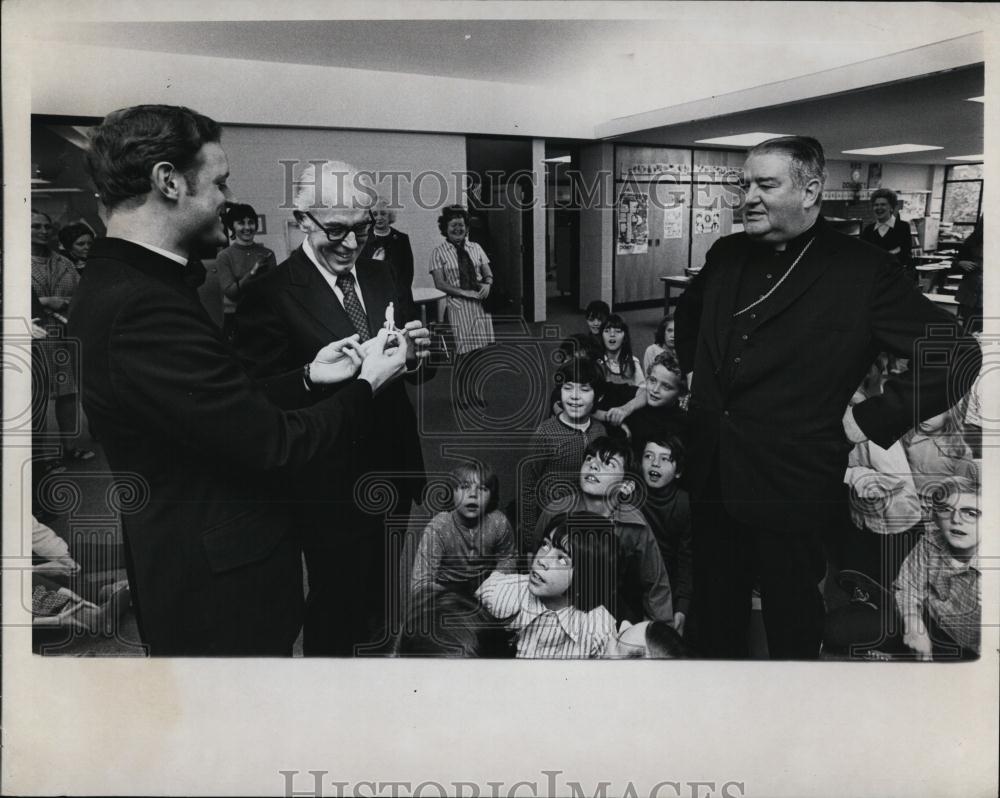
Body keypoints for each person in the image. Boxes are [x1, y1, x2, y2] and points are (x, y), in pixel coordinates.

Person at [69, 105, 409, 656]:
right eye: (221, 181)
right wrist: (367, 382)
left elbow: (213, 407)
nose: (229, 200)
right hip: (213, 589)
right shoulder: (142, 306)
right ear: (168, 180)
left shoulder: (127, 283)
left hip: (201, 570)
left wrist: (306, 375)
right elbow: (271, 444)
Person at [674, 135, 980, 659]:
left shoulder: (862, 270)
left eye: (765, 185)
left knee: (791, 617)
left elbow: (957, 353)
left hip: (791, 478)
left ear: (811, 190)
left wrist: (867, 419)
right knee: (714, 610)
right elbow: (691, 318)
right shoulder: (725, 252)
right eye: (745, 183)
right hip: (712, 469)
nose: (748, 195)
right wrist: (694, 378)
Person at [236, 159, 431, 656]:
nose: (350, 244)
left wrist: (419, 356)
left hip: (392, 463)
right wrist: (313, 378)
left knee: (384, 589)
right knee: (335, 600)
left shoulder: (382, 271)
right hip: (327, 480)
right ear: (302, 219)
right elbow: (254, 398)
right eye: (337, 229)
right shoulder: (270, 294)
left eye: (362, 230)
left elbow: (410, 363)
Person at [532, 437, 674, 625]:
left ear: (626, 486)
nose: (593, 466)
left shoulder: (635, 525)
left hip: (608, 610)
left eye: (608, 464)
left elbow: (655, 584)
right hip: (553, 606)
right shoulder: (556, 510)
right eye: (589, 458)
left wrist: (660, 639)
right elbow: (533, 558)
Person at [476, 512, 619, 658]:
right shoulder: (496, 591)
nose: (542, 560)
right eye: (545, 545)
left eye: (562, 559)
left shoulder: (601, 630)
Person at [30, 210, 94, 465]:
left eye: (47, 227)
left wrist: (71, 305)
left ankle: (70, 448)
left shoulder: (63, 263)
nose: (44, 231)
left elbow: (82, 295)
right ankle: (38, 456)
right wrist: (45, 301)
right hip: (33, 338)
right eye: (36, 227)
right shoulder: (14, 262)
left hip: (64, 337)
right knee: (36, 399)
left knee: (68, 395)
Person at [521, 356, 607, 545]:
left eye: (584, 390)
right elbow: (527, 486)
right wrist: (529, 541)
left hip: (587, 524)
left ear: (599, 396)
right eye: (568, 388)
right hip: (551, 525)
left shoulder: (600, 431)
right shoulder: (546, 433)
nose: (574, 396)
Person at [894, 476, 980, 660]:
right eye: (947, 510)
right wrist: (913, 624)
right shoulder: (931, 541)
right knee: (837, 630)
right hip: (928, 621)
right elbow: (906, 587)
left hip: (971, 652)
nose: (956, 519)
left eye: (971, 513)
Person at [409, 463, 516, 596]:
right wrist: (453, 597)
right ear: (452, 492)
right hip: (445, 590)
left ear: (491, 496)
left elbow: (508, 558)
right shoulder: (439, 527)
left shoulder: (498, 521)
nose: (473, 494)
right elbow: (420, 583)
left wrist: (494, 582)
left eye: (482, 489)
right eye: (464, 487)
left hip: (486, 586)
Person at [429, 204, 495, 408]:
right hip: (458, 307)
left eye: (461, 225)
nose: (458, 229)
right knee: (463, 354)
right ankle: (460, 395)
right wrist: (464, 292)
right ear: (445, 228)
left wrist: (488, 284)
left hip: (479, 306)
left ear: (467, 228)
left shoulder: (476, 248)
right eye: (453, 225)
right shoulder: (438, 252)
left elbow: (488, 273)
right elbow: (440, 283)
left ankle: (474, 392)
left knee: (478, 353)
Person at [637, 435, 693, 636]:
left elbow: (686, 560)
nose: (655, 463)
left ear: (678, 472)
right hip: (635, 585)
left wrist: (682, 608)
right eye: (648, 456)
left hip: (668, 586)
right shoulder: (632, 496)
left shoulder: (683, 504)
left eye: (664, 459)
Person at [215, 202, 276, 343]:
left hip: (264, 317)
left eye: (251, 222)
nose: (247, 227)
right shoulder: (224, 256)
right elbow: (231, 292)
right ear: (232, 226)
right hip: (235, 319)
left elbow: (274, 290)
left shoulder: (268, 254)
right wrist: (253, 272)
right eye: (241, 223)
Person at [358, 197, 416, 322]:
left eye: (383, 213)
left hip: (401, 299)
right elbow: (360, 273)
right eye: (375, 214)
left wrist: (398, 294)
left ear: (390, 216)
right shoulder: (363, 240)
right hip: (374, 298)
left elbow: (408, 274)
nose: (379, 218)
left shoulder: (401, 239)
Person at [620, 351, 688, 456]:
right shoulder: (634, 400)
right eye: (652, 380)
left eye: (665, 386)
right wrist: (618, 423)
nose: (655, 389)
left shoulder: (682, 424)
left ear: (681, 393)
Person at [860, 188, 914, 280]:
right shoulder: (868, 230)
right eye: (876, 205)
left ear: (891, 207)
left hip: (896, 278)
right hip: (874, 278)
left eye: (883, 204)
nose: (879, 208)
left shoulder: (903, 227)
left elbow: (905, 254)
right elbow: (864, 256)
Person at [954, 215, 983, 333]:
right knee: (970, 329)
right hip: (971, 291)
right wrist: (960, 263)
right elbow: (955, 261)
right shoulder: (973, 239)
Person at [598, 313, 643, 387]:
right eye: (607, 331)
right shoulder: (597, 363)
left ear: (625, 337)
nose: (612, 334)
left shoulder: (633, 363)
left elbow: (642, 391)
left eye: (618, 331)